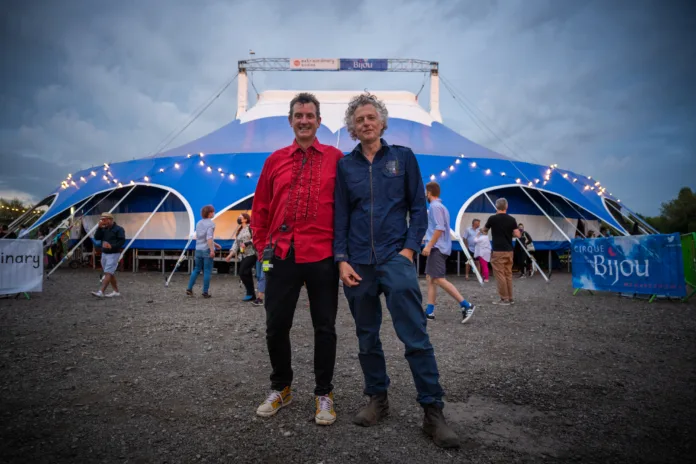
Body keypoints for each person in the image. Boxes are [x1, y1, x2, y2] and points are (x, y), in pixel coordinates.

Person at [335, 93, 460, 449]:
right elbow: (341, 215)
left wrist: (408, 250)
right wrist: (341, 259)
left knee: (415, 335)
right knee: (366, 336)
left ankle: (433, 412)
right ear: (352, 129)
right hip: (358, 262)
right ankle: (377, 399)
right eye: (359, 120)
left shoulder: (403, 158)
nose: (366, 123)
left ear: (382, 122)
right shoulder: (346, 167)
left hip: (395, 257)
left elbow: (418, 208)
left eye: (371, 117)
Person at [251, 92, 343, 426]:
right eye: (298, 115)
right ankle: (281, 387)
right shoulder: (274, 160)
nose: (304, 120)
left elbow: (346, 208)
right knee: (276, 326)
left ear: (319, 121)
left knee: (325, 327)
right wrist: (264, 248)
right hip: (281, 254)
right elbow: (260, 208)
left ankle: (324, 393)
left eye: (310, 115)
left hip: (322, 255)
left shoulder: (337, 158)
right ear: (290, 120)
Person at [422, 181, 476, 323]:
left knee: (438, 278)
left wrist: (429, 246)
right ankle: (429, 311)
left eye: (425, 192)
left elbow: (439, 228)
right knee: (430, 278)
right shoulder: (442, 207)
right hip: (441, 247)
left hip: (437, 248)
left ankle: (466, 305)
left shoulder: (434, 207)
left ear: (428, 192)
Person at [484, 198, 521, 305]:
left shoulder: (492, 219)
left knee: (500, 275)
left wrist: (482, 230)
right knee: (508, 274)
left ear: (496, 207)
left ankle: (504, 299)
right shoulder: (512, 219)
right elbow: (518, 235)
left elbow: (485, 230)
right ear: (506, 207)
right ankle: (510, 298)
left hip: (498, 250)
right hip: (509, 250)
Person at [187, 205, 221, 298]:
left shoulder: (198, 223)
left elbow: (202, 237)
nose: (213, 213)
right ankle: (205, 292)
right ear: (210, 213)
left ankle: (189, 288)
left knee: (196, 269)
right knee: (207, 271)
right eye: (213, 212)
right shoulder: (211, 224)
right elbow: (209, 237)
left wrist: (215, 244)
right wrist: (212, 250)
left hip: (198, 249)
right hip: (206, 250)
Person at [91, 212, 125, 298]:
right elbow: (97, 237)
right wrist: (99, 227)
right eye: (102, 219)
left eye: (105, 220)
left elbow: (122, 241)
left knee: (108, 272)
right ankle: (116, 291)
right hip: (104, 253)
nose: (103, 221)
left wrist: (112, 246)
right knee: (110, 273)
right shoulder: (103, 229)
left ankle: (101, 291)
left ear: (110, 220)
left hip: (114, 253)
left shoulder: (119, 229)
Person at [225, 213, 257, 301]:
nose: (238, 218)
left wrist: (247, 243)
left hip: (251, 254)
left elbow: (256, 238)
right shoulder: (239, 231)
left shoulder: (251, 228)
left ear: (245, 219)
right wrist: (230, 255)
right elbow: (236, 244)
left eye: (240, 217)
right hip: (242, 255)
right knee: (247, 274)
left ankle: (250, 293)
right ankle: (251, 294)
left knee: (242, 272)